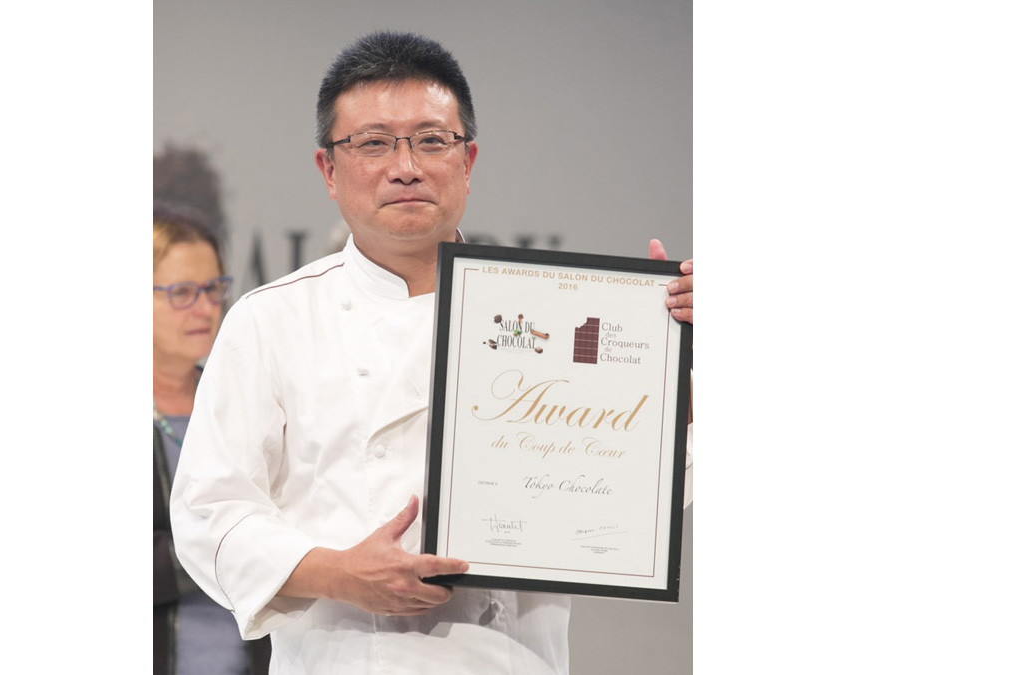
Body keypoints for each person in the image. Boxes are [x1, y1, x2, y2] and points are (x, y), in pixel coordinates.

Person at [170, 31, 694, 674]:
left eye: (431, 140)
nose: (406, 167)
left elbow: (623, 497)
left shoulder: (552, 308)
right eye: (374, 143)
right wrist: (337, 573)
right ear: (329, 170)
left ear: (467, 161)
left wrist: (668, 370)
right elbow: (210, 513)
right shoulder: (272, 321)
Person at [153, 205, 270, 675]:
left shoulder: (239, 402)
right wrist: (233, 551)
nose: (205, 309)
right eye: (182, 293)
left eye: (213, 289)